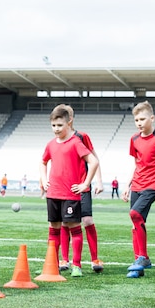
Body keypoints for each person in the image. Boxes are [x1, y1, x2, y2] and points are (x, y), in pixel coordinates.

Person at [40, 105, 99, 278]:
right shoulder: (50, 145)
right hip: (53, 194)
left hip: (70, 194)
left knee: (74, 227)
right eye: (53, 126)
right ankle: (54, 263)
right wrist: (44, 179)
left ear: (69, 124)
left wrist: (85, 184)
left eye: (59, 125)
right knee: (54, 228)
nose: (56, 129)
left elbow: (94, 161)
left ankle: (77, 265)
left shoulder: (76, 142)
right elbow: (42, 162)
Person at [121, 101, 155, 278]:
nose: (139, 122)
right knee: (135, 223)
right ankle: (138, 264)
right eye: (136, 119)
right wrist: (127, 185)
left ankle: (143, 257)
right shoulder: (134, 139)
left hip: (153, 185)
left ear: (151, 118)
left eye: (142, 119)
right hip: (137, 184)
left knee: (135, 214)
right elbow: (135, 164)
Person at [57, 104, 105, 274]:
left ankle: (94, 259)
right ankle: (65, 259)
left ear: (70, 119)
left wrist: (98, 181)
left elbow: (94, 158)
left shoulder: (82, 137)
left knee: (87, 221)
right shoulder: (58, 139)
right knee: (65, 222)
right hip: (63, 188)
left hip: (82, 186)